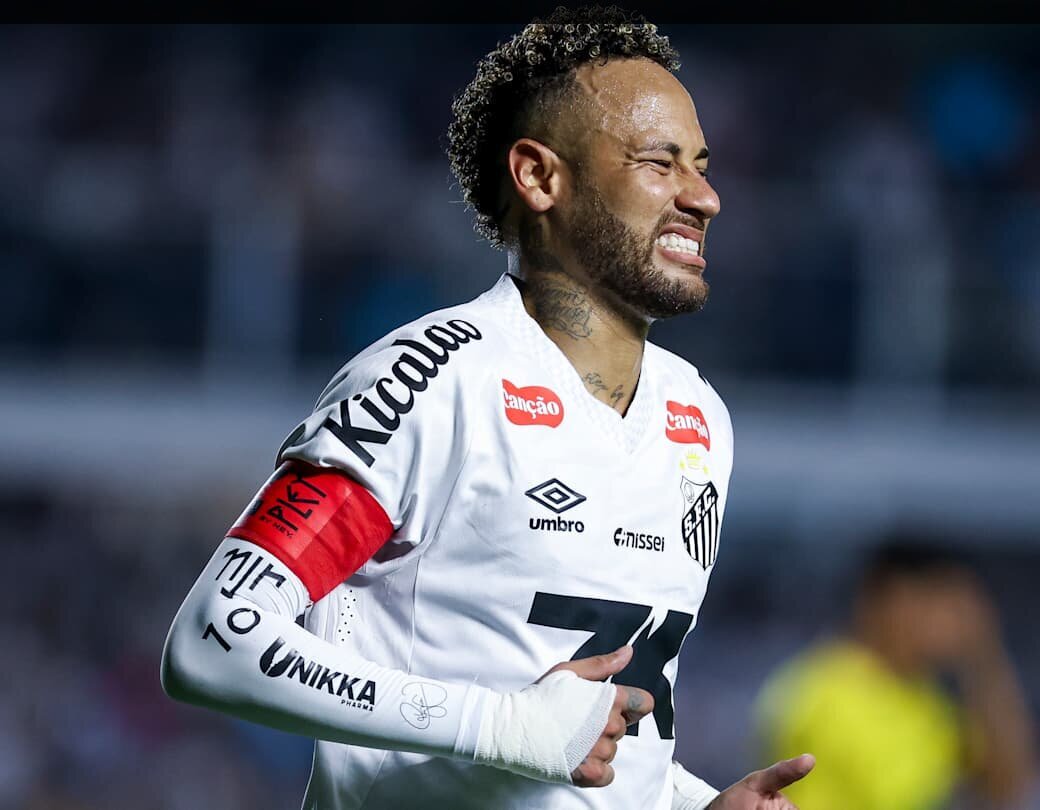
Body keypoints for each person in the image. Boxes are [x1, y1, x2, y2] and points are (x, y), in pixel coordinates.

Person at [160, 8, 814, 809]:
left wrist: (690, 803)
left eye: (702, 167)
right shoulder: (433, 383)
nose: (704, 197)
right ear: (539, 177)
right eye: (659, 162)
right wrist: (498, 724)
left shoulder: (699, 417)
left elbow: (584, 741)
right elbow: (216, 639)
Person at [755, 537, 1040, 810]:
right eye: (936, 600)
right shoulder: (818, 696)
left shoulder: (929, 703)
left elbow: (1007, 783)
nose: (950, 622)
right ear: (888, 598)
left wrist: (983, 654)